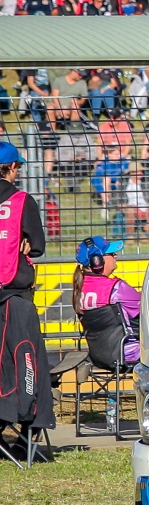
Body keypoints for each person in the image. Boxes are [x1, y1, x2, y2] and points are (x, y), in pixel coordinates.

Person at [0, 141, 49, 438]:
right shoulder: (20, 200)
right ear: (13, 168)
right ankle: (25, 424)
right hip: (13, 293)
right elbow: (38, 245)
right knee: (21, 357)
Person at [72, 236, 140, 364]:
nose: (115, 256)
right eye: (111, 254)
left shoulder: (79, 289)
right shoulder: (117, 288)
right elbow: (148, 309)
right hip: (130, 354)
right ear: (97, 261)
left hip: (99, 357)